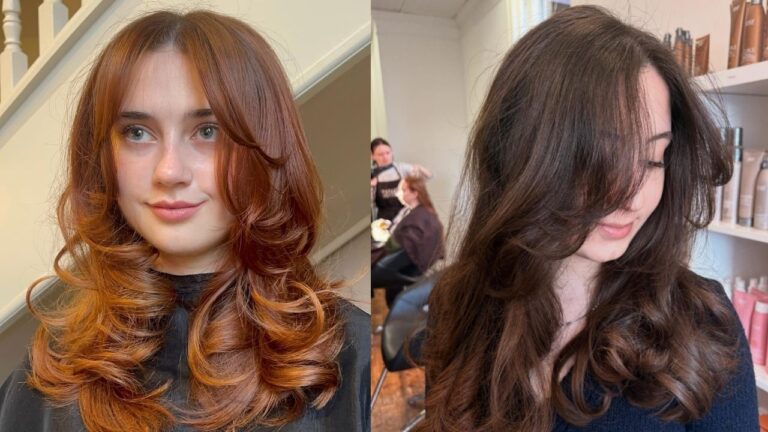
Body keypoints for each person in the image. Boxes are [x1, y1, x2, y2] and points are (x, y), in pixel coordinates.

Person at [0, 10, 369, 432]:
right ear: (102, 155)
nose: (170, 171)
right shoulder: (47, 377)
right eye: (137, 133)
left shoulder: (349, 360)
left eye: (208, 131)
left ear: (265, 145)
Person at [420, 6, 758, 432]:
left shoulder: (702, 321)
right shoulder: (459, 303)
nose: (632, 197)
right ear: (521, 154)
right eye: (602, 157)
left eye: (653, 159)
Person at [372, 175, 445, 306]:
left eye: (404, 190)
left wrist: (385, 239)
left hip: (405, 265)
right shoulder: (414, 212)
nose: (399, 194)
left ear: (415, 193)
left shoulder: (419, 217)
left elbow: (403, 245)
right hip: (400, 262)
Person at [371, 137, 432, 222]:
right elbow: (370, 204)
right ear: (372, 156)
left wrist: (420, 168)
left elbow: (428, 177)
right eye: (380, 154)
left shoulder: (402, 168)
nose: (385, 157)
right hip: (383, 219)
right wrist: (371, 187)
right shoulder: (371, 175)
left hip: (405, 215)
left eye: (388, 153)